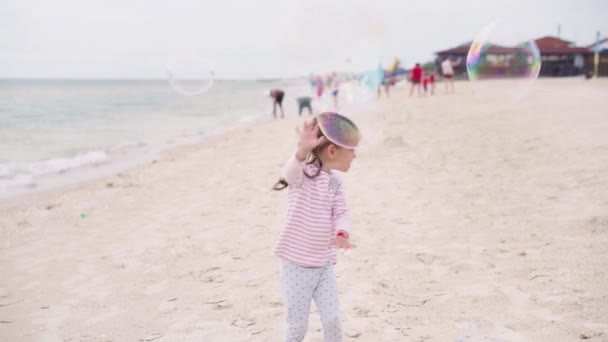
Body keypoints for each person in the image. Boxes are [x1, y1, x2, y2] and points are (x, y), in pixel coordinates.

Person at [273, 113, 360, 342]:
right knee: (297, 326)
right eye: (352, 150)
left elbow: (341, 213)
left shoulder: (335, 183)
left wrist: (342, 232)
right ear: (332, 151)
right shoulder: (304, 174)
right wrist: (302, 149)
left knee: (332, 320)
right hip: (295, 265)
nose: (355, 155)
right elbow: (289, 173)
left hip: (323, 265)